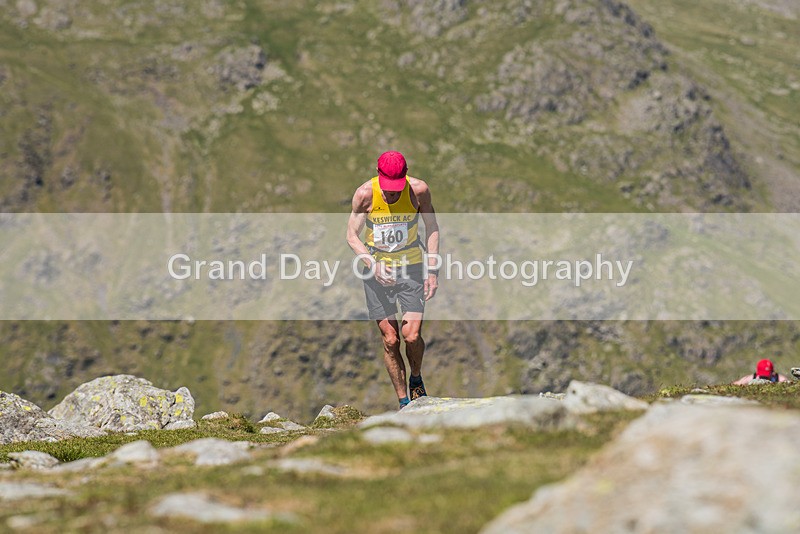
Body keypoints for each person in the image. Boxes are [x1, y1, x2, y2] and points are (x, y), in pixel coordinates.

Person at [346, 151, 440, 409]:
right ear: (379, 177)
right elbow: (352, 235)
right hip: (376, 270)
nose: (392, 194)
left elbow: (432, 227)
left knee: (411, 335)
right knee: (391, 339)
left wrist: (432, 270)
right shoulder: (365, 194)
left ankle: (416, 378)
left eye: (397, 188)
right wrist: (373, 265)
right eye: (388, 189)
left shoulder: (418, 191)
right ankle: (404, 403)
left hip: (411, 267)